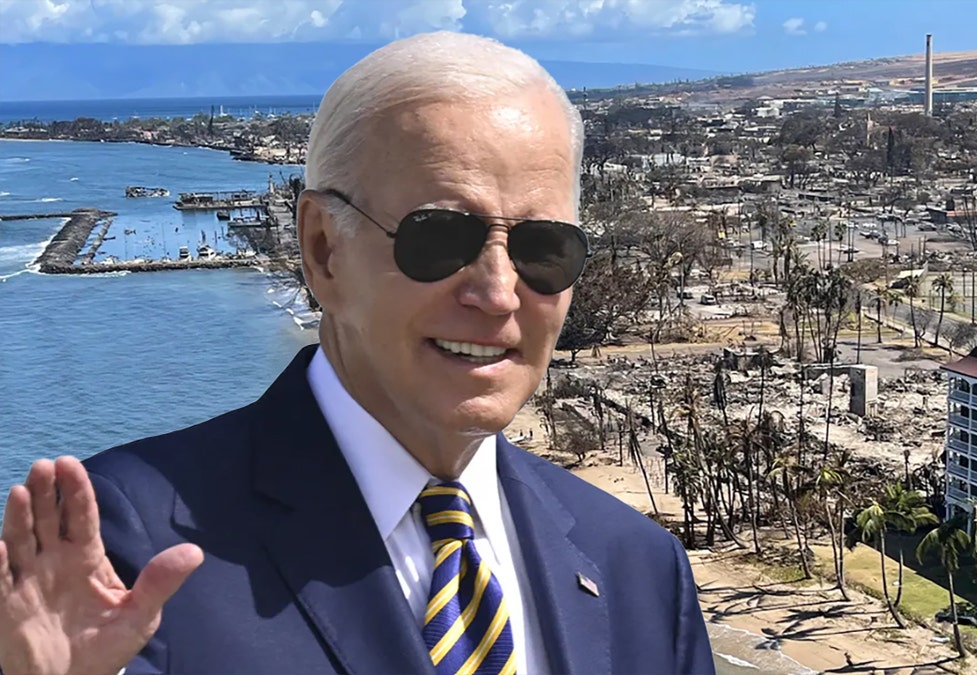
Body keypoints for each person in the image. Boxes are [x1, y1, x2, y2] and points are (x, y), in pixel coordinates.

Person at [0, 32, 715, 675]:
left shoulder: (639, 568)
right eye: (440, 239)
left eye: (542, 248)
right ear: (322, 248)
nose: (499, 294)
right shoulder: (124, 550)